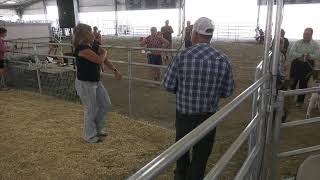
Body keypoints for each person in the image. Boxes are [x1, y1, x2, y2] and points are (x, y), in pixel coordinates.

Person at [162, 17, 234, 180]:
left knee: (181, 152)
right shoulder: (223, 59)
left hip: (185, 115)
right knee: (201, 157)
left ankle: (180, 176)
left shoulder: (182, 56)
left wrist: (182, 91)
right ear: (210, 36)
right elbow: (227, 91)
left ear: (194, 34)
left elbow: (168, 85)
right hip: (208, 116)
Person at [73, 23, 122, 143]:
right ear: (85, 35)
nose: (93, 34)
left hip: (95, 81)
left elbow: (105, 60)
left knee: (106, 104)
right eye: (91, 32)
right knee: (91, 108)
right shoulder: (82, 48)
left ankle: (97, 129)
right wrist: (104, 52)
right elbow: (100, 59)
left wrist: (115, 70)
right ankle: (89, 136)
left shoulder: (93, 45)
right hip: (85, 83)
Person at [288, 27, 320, 107]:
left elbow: (317, 55)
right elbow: (291, 52)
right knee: (292, 81)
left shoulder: (315, 44)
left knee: (303, 83)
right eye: (304, 34)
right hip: (296, 63)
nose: (305, 35)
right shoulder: (297, 42)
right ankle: (289, 98)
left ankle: (300, 101)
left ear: (311, 35)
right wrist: (301, 55)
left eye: (307, 34)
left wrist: (308, 56)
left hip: (307, 65)